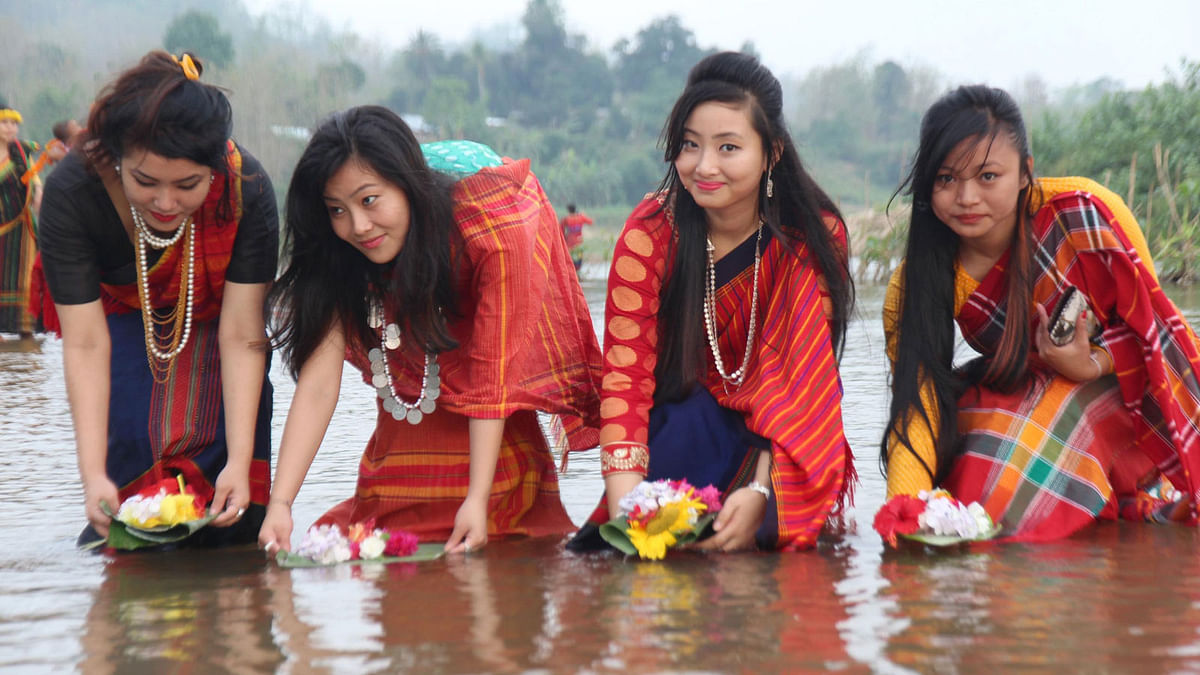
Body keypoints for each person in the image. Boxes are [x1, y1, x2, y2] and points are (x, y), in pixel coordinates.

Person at [258, 105, 602, 555]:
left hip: (495, 460)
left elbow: (492, 372)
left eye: (369, 200)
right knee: (384, 566)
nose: (358, 227)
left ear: (408, 187)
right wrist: (281, 503)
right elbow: (319, 383)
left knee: (499, 560)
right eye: (337, 210)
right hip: (400, 462)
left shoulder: (493, 229)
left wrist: (476, 501)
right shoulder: (338, 250)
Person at [880, 84, 1200, 541]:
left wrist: (1091, 362)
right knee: (969, 431)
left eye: (988, 176)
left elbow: (1159, 335)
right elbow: (919, 400)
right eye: (946, 179)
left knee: (1028, 456)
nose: (967, 197)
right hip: (1017, 392)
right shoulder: (915, 282)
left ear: (1025, 173)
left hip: (1130, 400)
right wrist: (905, 508)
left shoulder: (1086, 212)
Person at [568, 51, 856, 553]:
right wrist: (627, 510)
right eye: (689, 145)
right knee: (614, 553)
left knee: (777, 559)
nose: (704, 167)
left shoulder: (814, 236)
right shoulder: (651, 234)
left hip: (783, 442)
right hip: (682, 426)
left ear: (773, 153)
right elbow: (626, 378)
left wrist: (761, 492)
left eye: (728, 147)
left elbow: (805, 382)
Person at [37, 51, 278, 546]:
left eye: (187, 185)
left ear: (214, 172)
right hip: (121, 320)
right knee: (126, 477)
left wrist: (238, 459)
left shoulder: (244, 190)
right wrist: (91, 476)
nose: (166, 203)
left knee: (234, 522)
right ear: (117, 159)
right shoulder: (72, 192)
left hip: (217, 324)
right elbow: (83, 344)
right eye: (145, 182)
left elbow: (241, 335)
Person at [0, 98, 62, 339]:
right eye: (4, 122)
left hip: (21, 224)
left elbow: (34, 183)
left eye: (13, 123)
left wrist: (41, 202)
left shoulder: (23, 151)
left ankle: (25, 326)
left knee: (24, 275)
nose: (9, 128)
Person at [559, 203, 592, 271]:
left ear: (568, 210)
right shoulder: (581, 217)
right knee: (579, 260)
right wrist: (582, 214)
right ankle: (578, 273)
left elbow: (561, 230)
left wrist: (564, 239)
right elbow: (590, 222)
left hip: (569, 243)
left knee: (570, 260)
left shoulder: (566, 219)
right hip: (579, 242)